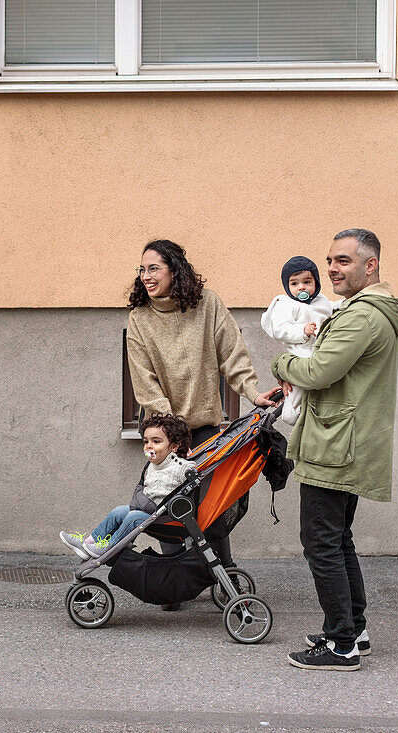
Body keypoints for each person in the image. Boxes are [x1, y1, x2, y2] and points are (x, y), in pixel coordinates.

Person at [272, 228, 398, 671]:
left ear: (370, 265)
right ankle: (353, 629)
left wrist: (280, 363)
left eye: (343, 261)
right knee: (338, 539)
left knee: (321, 542)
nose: (331, 268)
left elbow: (318, 370)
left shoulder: (359, 317)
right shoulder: (368, 312)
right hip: (345, 439)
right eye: (329, 260)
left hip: (333, 445)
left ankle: (340, 644)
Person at [126, 239, 280, 610]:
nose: (146, 277)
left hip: (206, 427)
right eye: (142, 270)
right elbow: (144, 381)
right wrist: (170, 432)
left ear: (174, 269)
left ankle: (224, 572)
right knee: (166, 502)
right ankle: (172, 582)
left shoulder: (207, 305)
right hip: (166, 432)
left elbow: (233, 355)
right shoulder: (140, 319)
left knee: (211, 505)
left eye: (153, 269)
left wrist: (253, 392)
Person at [59, 414, 195, 559]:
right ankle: (88, 543)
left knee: (134, 516)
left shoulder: (180, 466)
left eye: (156, 441)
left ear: (174, 446)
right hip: (148, 511)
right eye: (146, 441)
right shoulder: (152, 465)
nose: (149, 446)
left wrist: (188, 464)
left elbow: (192, 471)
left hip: (165, 517)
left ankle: (108, 547)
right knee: (118, 511)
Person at [260, 256, 340, 426]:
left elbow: (332, 307)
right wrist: (302, 331)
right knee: (298, 388)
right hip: (300, 351)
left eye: (307, 281)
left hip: (320, 351)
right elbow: (281, 329)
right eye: (294, 283)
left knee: (317, 389)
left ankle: (313, 417)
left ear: (316, 284)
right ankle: (291, 415)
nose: (301, 287)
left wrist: (346, 303)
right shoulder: (286, 304)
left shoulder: (321, 301)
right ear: (287, 286)